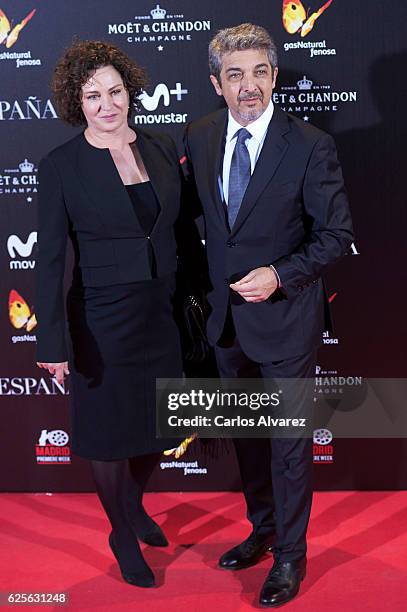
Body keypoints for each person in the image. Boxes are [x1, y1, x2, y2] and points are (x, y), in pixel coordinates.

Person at [184, 23, 354, 607]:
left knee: (286, 443)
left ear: (275, 76)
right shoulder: (201, 135)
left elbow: (336, 235)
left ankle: (290, 557)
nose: (249, 86)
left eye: (259, 72)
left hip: (286, 322)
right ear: (217, 83)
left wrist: (280, 274)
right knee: (249, 440)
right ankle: (263, 531)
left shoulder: (310, 145)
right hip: (226, 323)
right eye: (235, 74)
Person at [36, 40, 200, 588]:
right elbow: (50, 260)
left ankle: (133, 504)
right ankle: (121, 533)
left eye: (115, 91)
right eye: (92, 96)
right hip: (101, 321)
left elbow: (179, 231)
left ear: (129, 90)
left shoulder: (158, 145)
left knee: (159, 424)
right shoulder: (61, 165)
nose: (107, 104)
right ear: (75, 103)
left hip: (162, 312)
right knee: (108, 433)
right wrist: (52, 344)